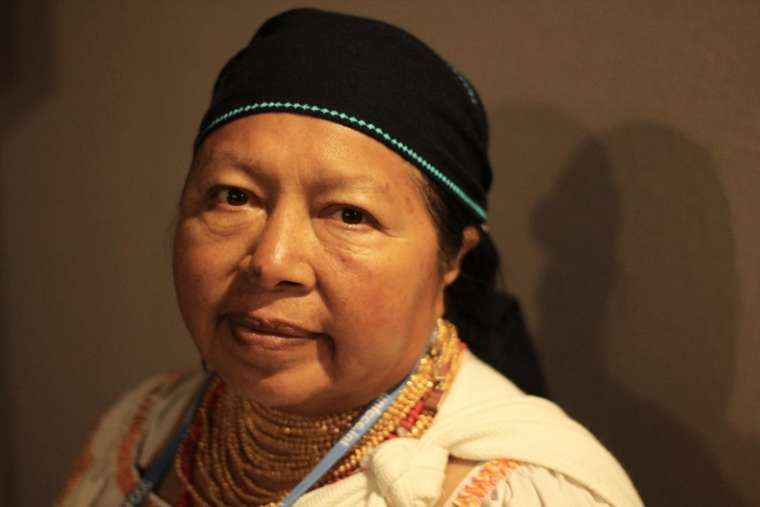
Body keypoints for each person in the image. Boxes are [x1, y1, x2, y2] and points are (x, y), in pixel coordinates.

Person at [56, 8, 642, 507]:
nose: (272, 262)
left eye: (348, 214)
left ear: (452, 258)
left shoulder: (519, 491)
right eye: (234, 197)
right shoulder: (142, 430)